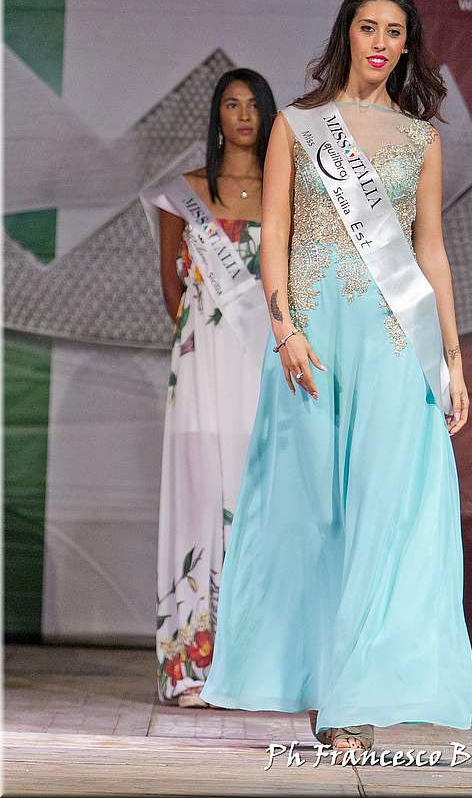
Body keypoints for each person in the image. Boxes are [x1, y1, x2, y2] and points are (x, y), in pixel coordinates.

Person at [201, 0, 472, 752]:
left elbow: (430, 253)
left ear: (407, 44)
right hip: (315, 343)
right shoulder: (298, 125)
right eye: (368, 27)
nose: (380, 43)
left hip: (392, 344)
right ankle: (317, 681)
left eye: (394, 31)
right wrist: (285, 330)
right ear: (345, 34)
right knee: (311, 515)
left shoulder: (421, 141)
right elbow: (275, 235)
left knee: (384, 516)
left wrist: (451, 361)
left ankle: (352, 700)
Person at [141, 68, 276, 706]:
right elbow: (171, 287)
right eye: (231, 104)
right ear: (217, 116)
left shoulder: (288, 192)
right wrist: (201, 334)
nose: (243, 115)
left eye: (253, 105)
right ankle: (191, 667)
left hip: (263, 364)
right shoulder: (185, 193)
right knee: (198, 494)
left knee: (257, 496)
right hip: (201, 364)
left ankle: (257, 667)